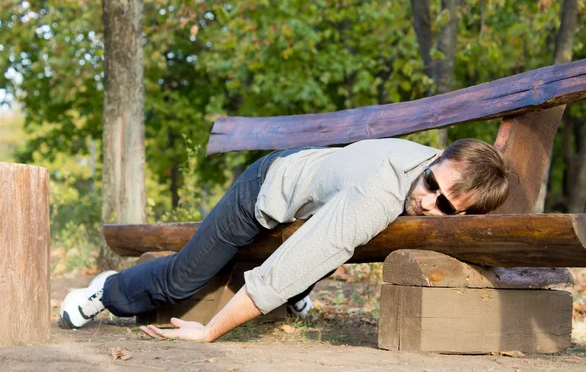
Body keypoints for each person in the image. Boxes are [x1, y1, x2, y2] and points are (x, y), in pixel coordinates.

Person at [60, 138, 509, 342]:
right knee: (184, 281)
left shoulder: (424, 177)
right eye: (431, 183)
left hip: (315, 195)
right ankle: (106, 290)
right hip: (267, 188)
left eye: (447, 206)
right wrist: (209, 333)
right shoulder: (376, 197)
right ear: (434, 158)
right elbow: (283, 270)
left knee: (329, 247)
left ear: (463, 212)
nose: (429, 202)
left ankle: (299, 297)